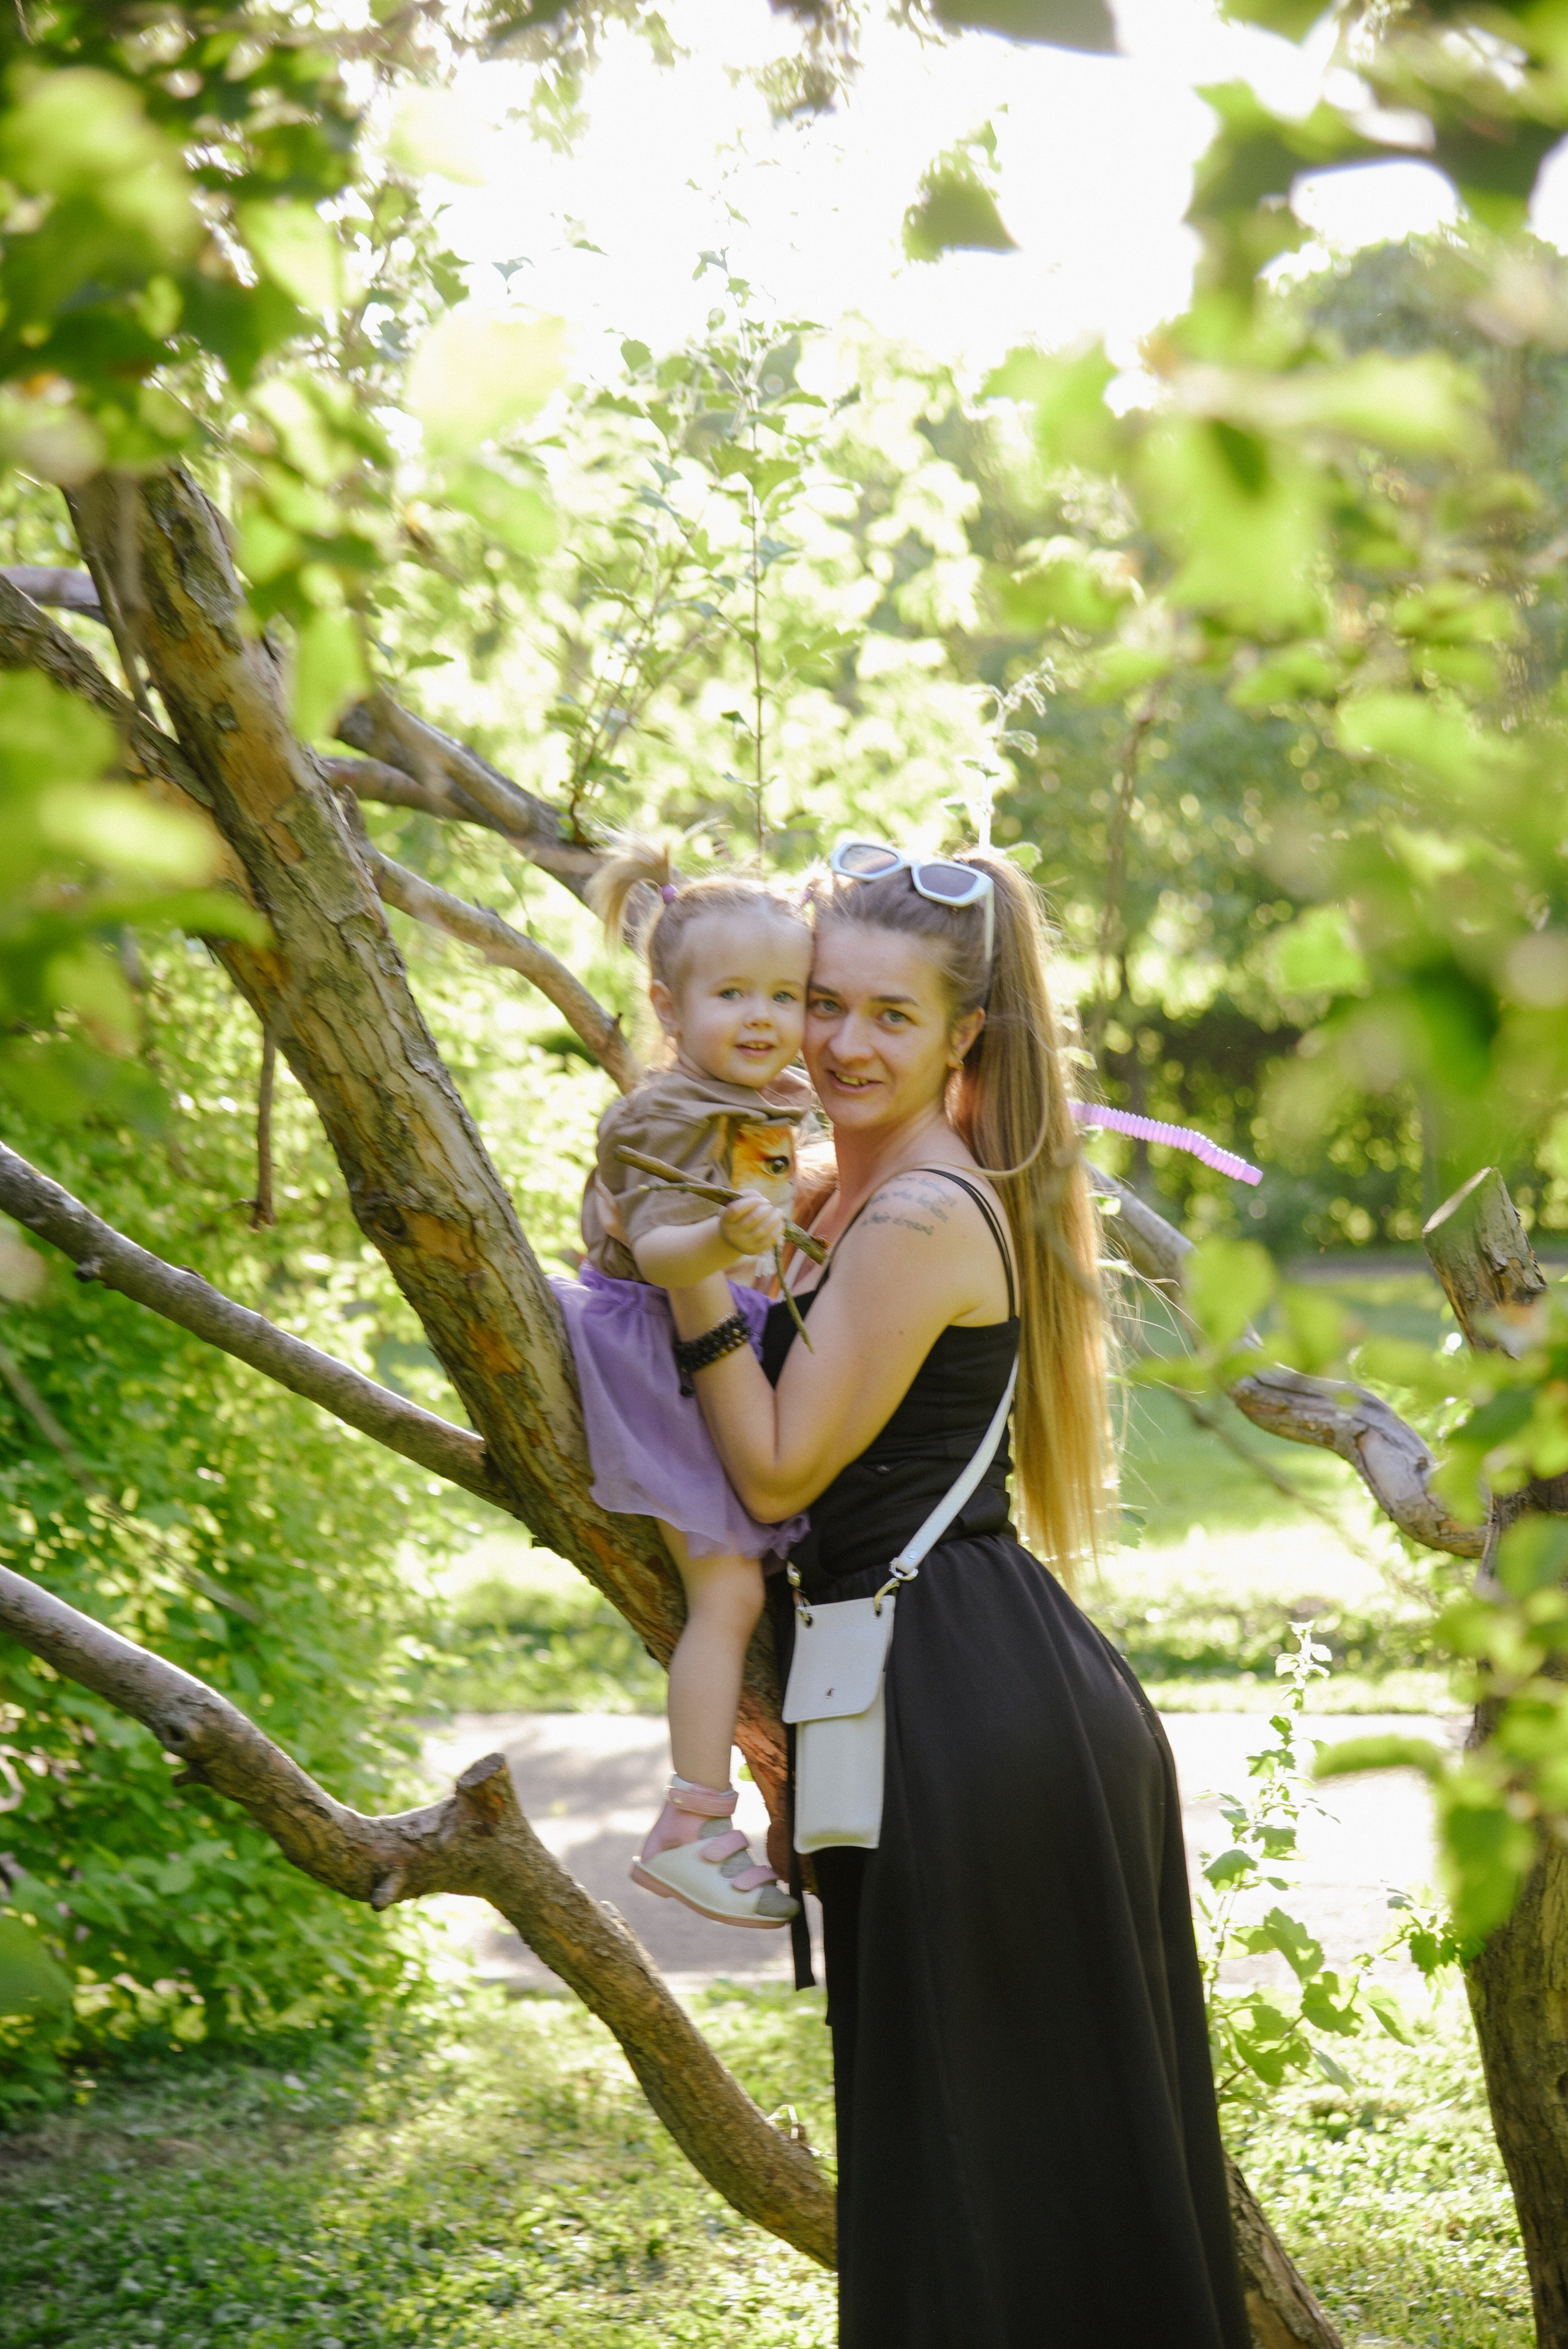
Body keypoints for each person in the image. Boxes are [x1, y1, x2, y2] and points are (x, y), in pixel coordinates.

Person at [662, 842, 1250, 2349]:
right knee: (975, 2164)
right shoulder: (823, 1191)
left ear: (961, 1036)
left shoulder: (921, 1217)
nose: (840, 1044)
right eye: (819, 1003)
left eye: (889, 1018)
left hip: (966, 1717)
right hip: (932, 1687)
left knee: (997, 2176)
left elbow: (782, 1469)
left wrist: (682, 1293)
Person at [551, 840, 813, 1930]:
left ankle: (748, 1812)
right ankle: (691, 1825)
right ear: (668, 1003)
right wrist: (724, 1232)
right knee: (730, 1591)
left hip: (713, 1339)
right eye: (732, 994)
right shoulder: (659, 1113)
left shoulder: (760, 1096)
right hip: (661, 1351)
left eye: (786, 995)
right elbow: (658, 1252)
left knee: (757, 1589)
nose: (763, 1016)